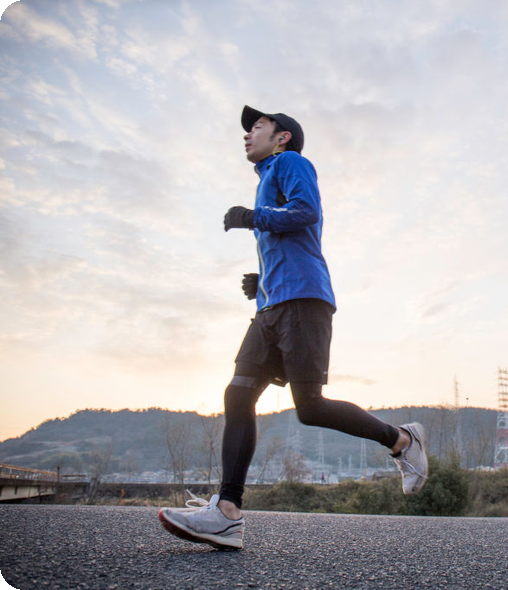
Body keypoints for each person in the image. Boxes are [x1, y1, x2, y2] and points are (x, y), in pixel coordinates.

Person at [158, 105, 428, 550]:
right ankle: (227, 512)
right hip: (272, 306)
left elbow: (306, 212)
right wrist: (261, 280)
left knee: (310, 407)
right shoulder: (268, 176)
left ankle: (402, 439)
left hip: (304, 301)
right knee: (238, 394)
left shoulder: (291, 162)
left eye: (257, 126)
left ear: (282, 136)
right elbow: (288, 242)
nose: (247, 134)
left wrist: (252, 217)